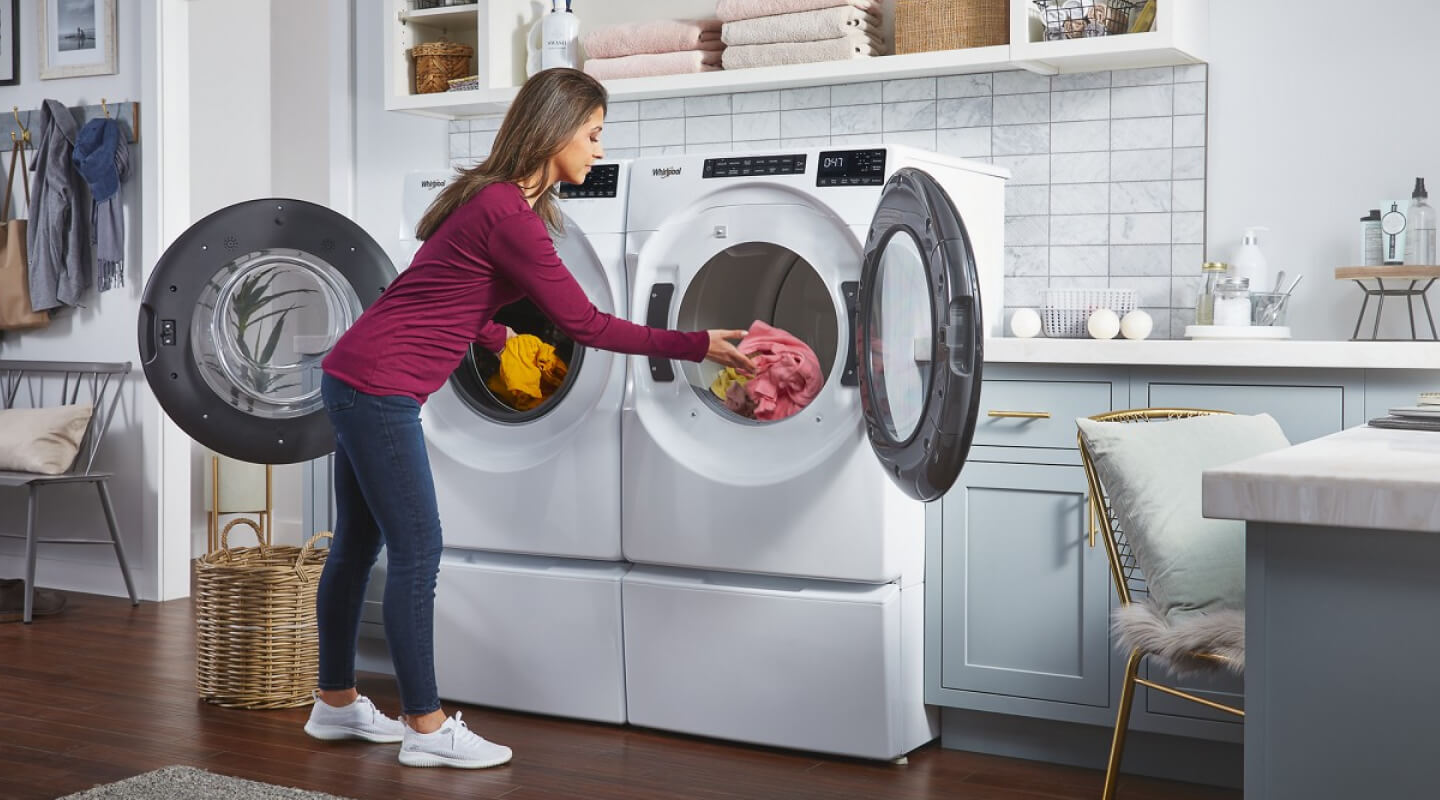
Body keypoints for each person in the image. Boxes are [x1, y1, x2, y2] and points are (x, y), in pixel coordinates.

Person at [302, 68, 755, 770]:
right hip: (381, 387)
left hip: (354, 375)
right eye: (594, 133)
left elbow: (443, 287)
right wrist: (697, 343)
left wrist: (497, 338)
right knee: (417, 553)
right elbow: (586, 323)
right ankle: (426, 728)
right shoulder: (510, 213)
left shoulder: (493, 201)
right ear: (556, 131)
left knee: (359, 548)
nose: (600, 149)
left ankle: (334, 707)